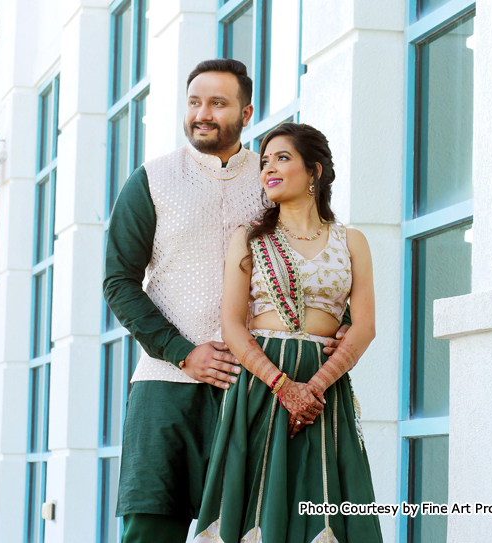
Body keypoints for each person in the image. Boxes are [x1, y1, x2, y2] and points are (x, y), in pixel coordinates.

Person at [103, 60, 350, 543]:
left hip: (256, 386)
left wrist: (333, 322)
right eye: (195, 102)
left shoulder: (272, 178)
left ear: (246, 111)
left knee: (251, 530)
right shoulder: (151, 180)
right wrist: (182, 352)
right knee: (150, 528)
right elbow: (118, 282)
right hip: (165, 387)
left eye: (218, 103)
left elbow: (316, 252)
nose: (203, 114)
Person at [194, 123, 382, 543]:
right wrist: (282, 385)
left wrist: (312, 389)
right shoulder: (250, 239)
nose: (268, 169)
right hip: (261, 388)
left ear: (314, 170)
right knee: (255, 509)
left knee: (323, 500)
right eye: (264, 162)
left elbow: (365, 327)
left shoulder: (351, 241)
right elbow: (232, 326)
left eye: (282, 158)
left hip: (324, 392)